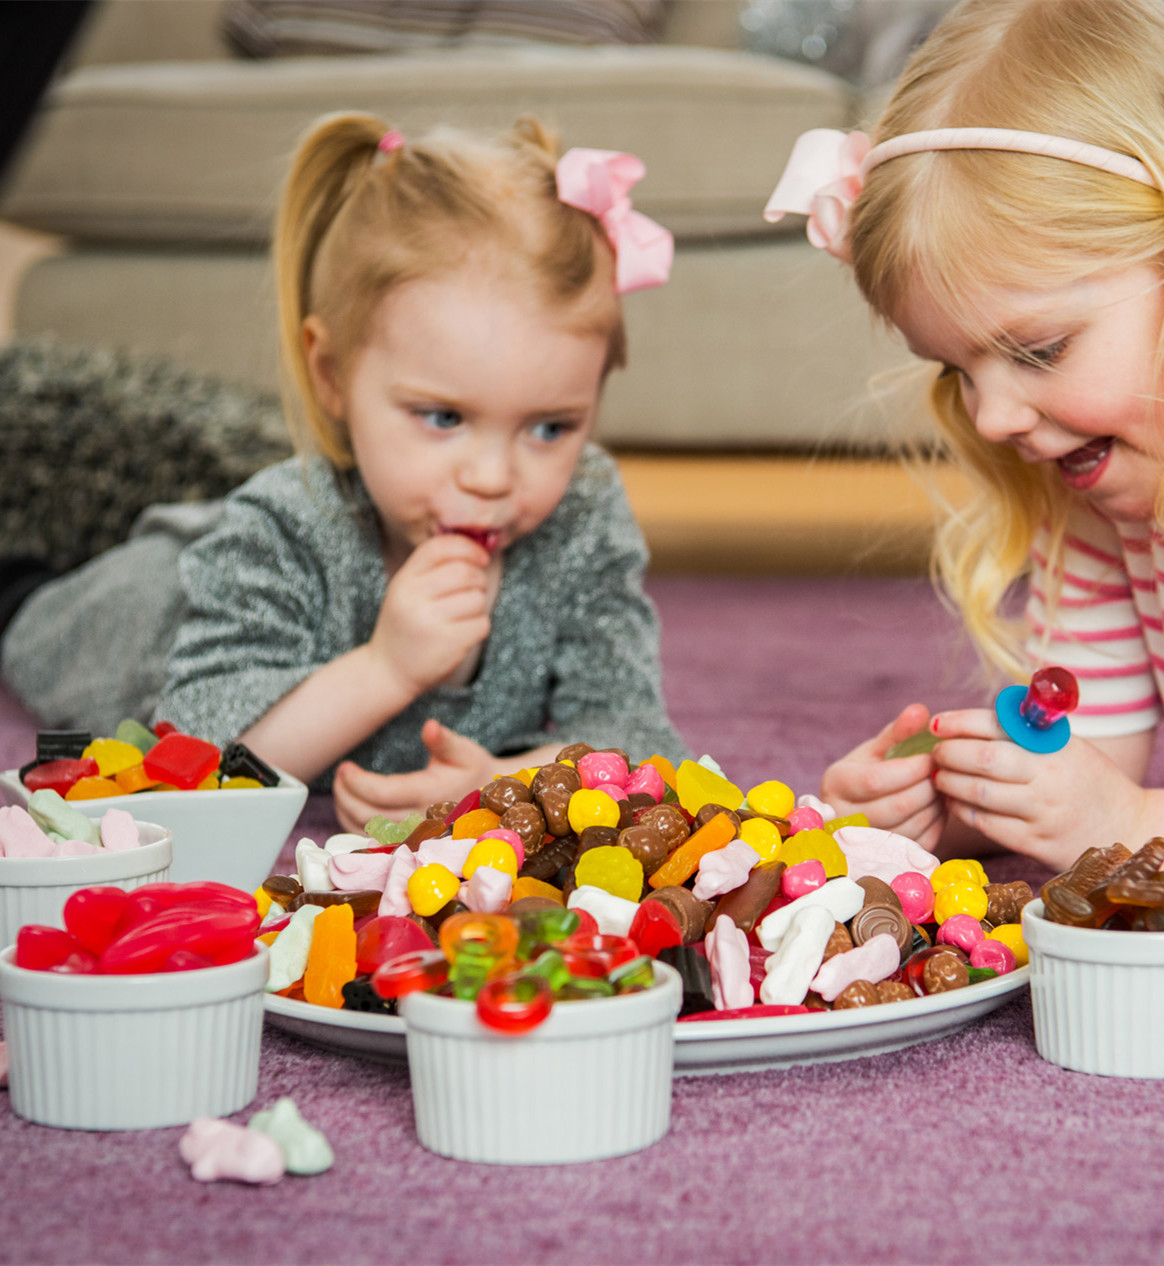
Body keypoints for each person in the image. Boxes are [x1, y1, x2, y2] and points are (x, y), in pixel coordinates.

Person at [1, 113, 688, 830]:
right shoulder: (285, 527)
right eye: (443, 417)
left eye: (550, 428)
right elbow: (201, 756)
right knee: (30, 609)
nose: (491, 478)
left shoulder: (581, 513)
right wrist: (387, 668)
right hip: (136, 607)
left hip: (240, 554)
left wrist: (500, 784)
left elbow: (637, 741)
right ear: (331, 375)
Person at [764, 0, 1164, 884]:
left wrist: (1136, 824)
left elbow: (1115, 810)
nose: (991, 419)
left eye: (1039, 350)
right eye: (956, 368)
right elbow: (1087, 763)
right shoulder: (1105, 499)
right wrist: (944, 810)